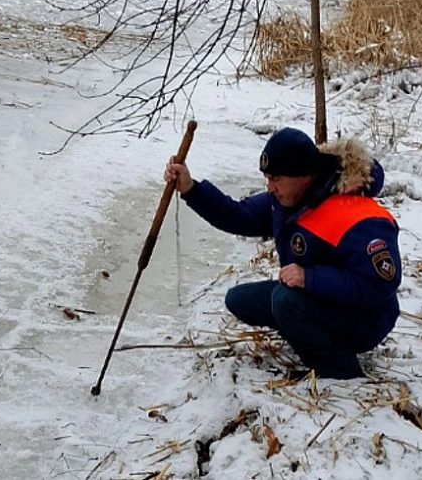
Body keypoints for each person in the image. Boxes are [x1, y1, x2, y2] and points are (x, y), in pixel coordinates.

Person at [164, 127, 401, 379]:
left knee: (285, 302)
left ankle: (340, 371)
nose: (270, 188)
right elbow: (238, 216)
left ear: (304, 175)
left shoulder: (358, 217)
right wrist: (190, 188)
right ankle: (309, 334)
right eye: (267, 178)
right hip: (322, 299)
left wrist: (309, 278)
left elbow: (380, 284)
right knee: (240, 299)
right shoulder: (287, 200)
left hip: (366, 318)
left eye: (275, 179)